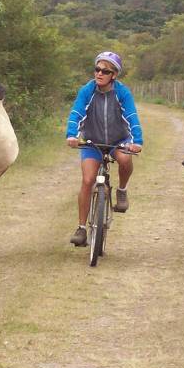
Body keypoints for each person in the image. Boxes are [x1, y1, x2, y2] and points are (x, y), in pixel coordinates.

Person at [66, 52, 143, 247]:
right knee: (87, 179)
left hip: (118, 140)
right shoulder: (87, 90)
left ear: (114, 75)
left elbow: (132, 116)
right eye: (97, 69)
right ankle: (82, 228)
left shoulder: (122, 93)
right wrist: (72, 135)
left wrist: (137, 141)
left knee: (125, 160)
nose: (99, 74)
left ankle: (122, 190)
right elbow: (77, 112)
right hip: (92, 141)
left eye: (105, 71)